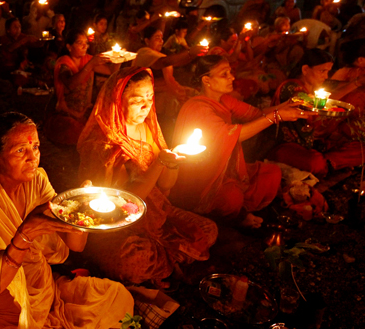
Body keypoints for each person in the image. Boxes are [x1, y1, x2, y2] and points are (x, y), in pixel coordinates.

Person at [0, 112, 133, 328]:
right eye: (20, 150)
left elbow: (76, 246)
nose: (32, 158)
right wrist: (25, 235)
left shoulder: (37, 180)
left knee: (118, 296)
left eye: (36, 147)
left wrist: (82, 210)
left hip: (39, 286)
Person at [77, 67, 217, 286]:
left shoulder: (148, 128)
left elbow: (165, 185)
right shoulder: (103, 145)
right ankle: (163, 263)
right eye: (136, 101)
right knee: (132, 260)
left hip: (156, 214)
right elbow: (127, 202)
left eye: (150, 98)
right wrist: (160, 162)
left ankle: (162, 262)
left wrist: (172, 162)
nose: (146, 106)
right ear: (116, 101)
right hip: (118, 226)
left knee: (209, 230)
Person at [170, 55, 311, 228]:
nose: (232, 77)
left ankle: (241, 212)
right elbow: (235, 135)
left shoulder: (223, 99)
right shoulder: (199, 108)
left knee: (271, 174)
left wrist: (288, 104)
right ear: (207, 80)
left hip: (227, 167)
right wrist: (277, 117)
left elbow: (257, 114)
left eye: (230, 72)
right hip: (204, 175)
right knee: (231, 198)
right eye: (224, 74)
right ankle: (234, 217)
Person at [268, 49, 365, 177]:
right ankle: (328, 165)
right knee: (315, 162)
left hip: (313, 145)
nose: (326, 76)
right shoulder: (291, 86)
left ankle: (329, 163)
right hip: (286, 146)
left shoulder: (315, 88)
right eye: (322, 71)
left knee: (361, 149)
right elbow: (308, 102)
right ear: (305, 69)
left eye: (328, 72)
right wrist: (356, 83)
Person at [44, 29, 117, 145]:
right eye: (80, 43)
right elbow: (71, 84)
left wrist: (119, 59)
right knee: (79, 135)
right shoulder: (64, 63)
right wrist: (91, 64)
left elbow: (111, 72)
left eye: (86, 43)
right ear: (69, 47)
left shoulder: (87, 59)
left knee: (107, 128)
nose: (85, 46)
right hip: (66, 114)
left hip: (84, 112)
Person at [132, 26, 205, 122]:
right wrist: (190, 52)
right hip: (144, 99)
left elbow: (177, 62)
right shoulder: (144, 52)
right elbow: (163, 62)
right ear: (147, 41)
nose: (161, 41)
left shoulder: (159, 54)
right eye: (157, 37)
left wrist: (194, 54)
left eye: (162, 38)